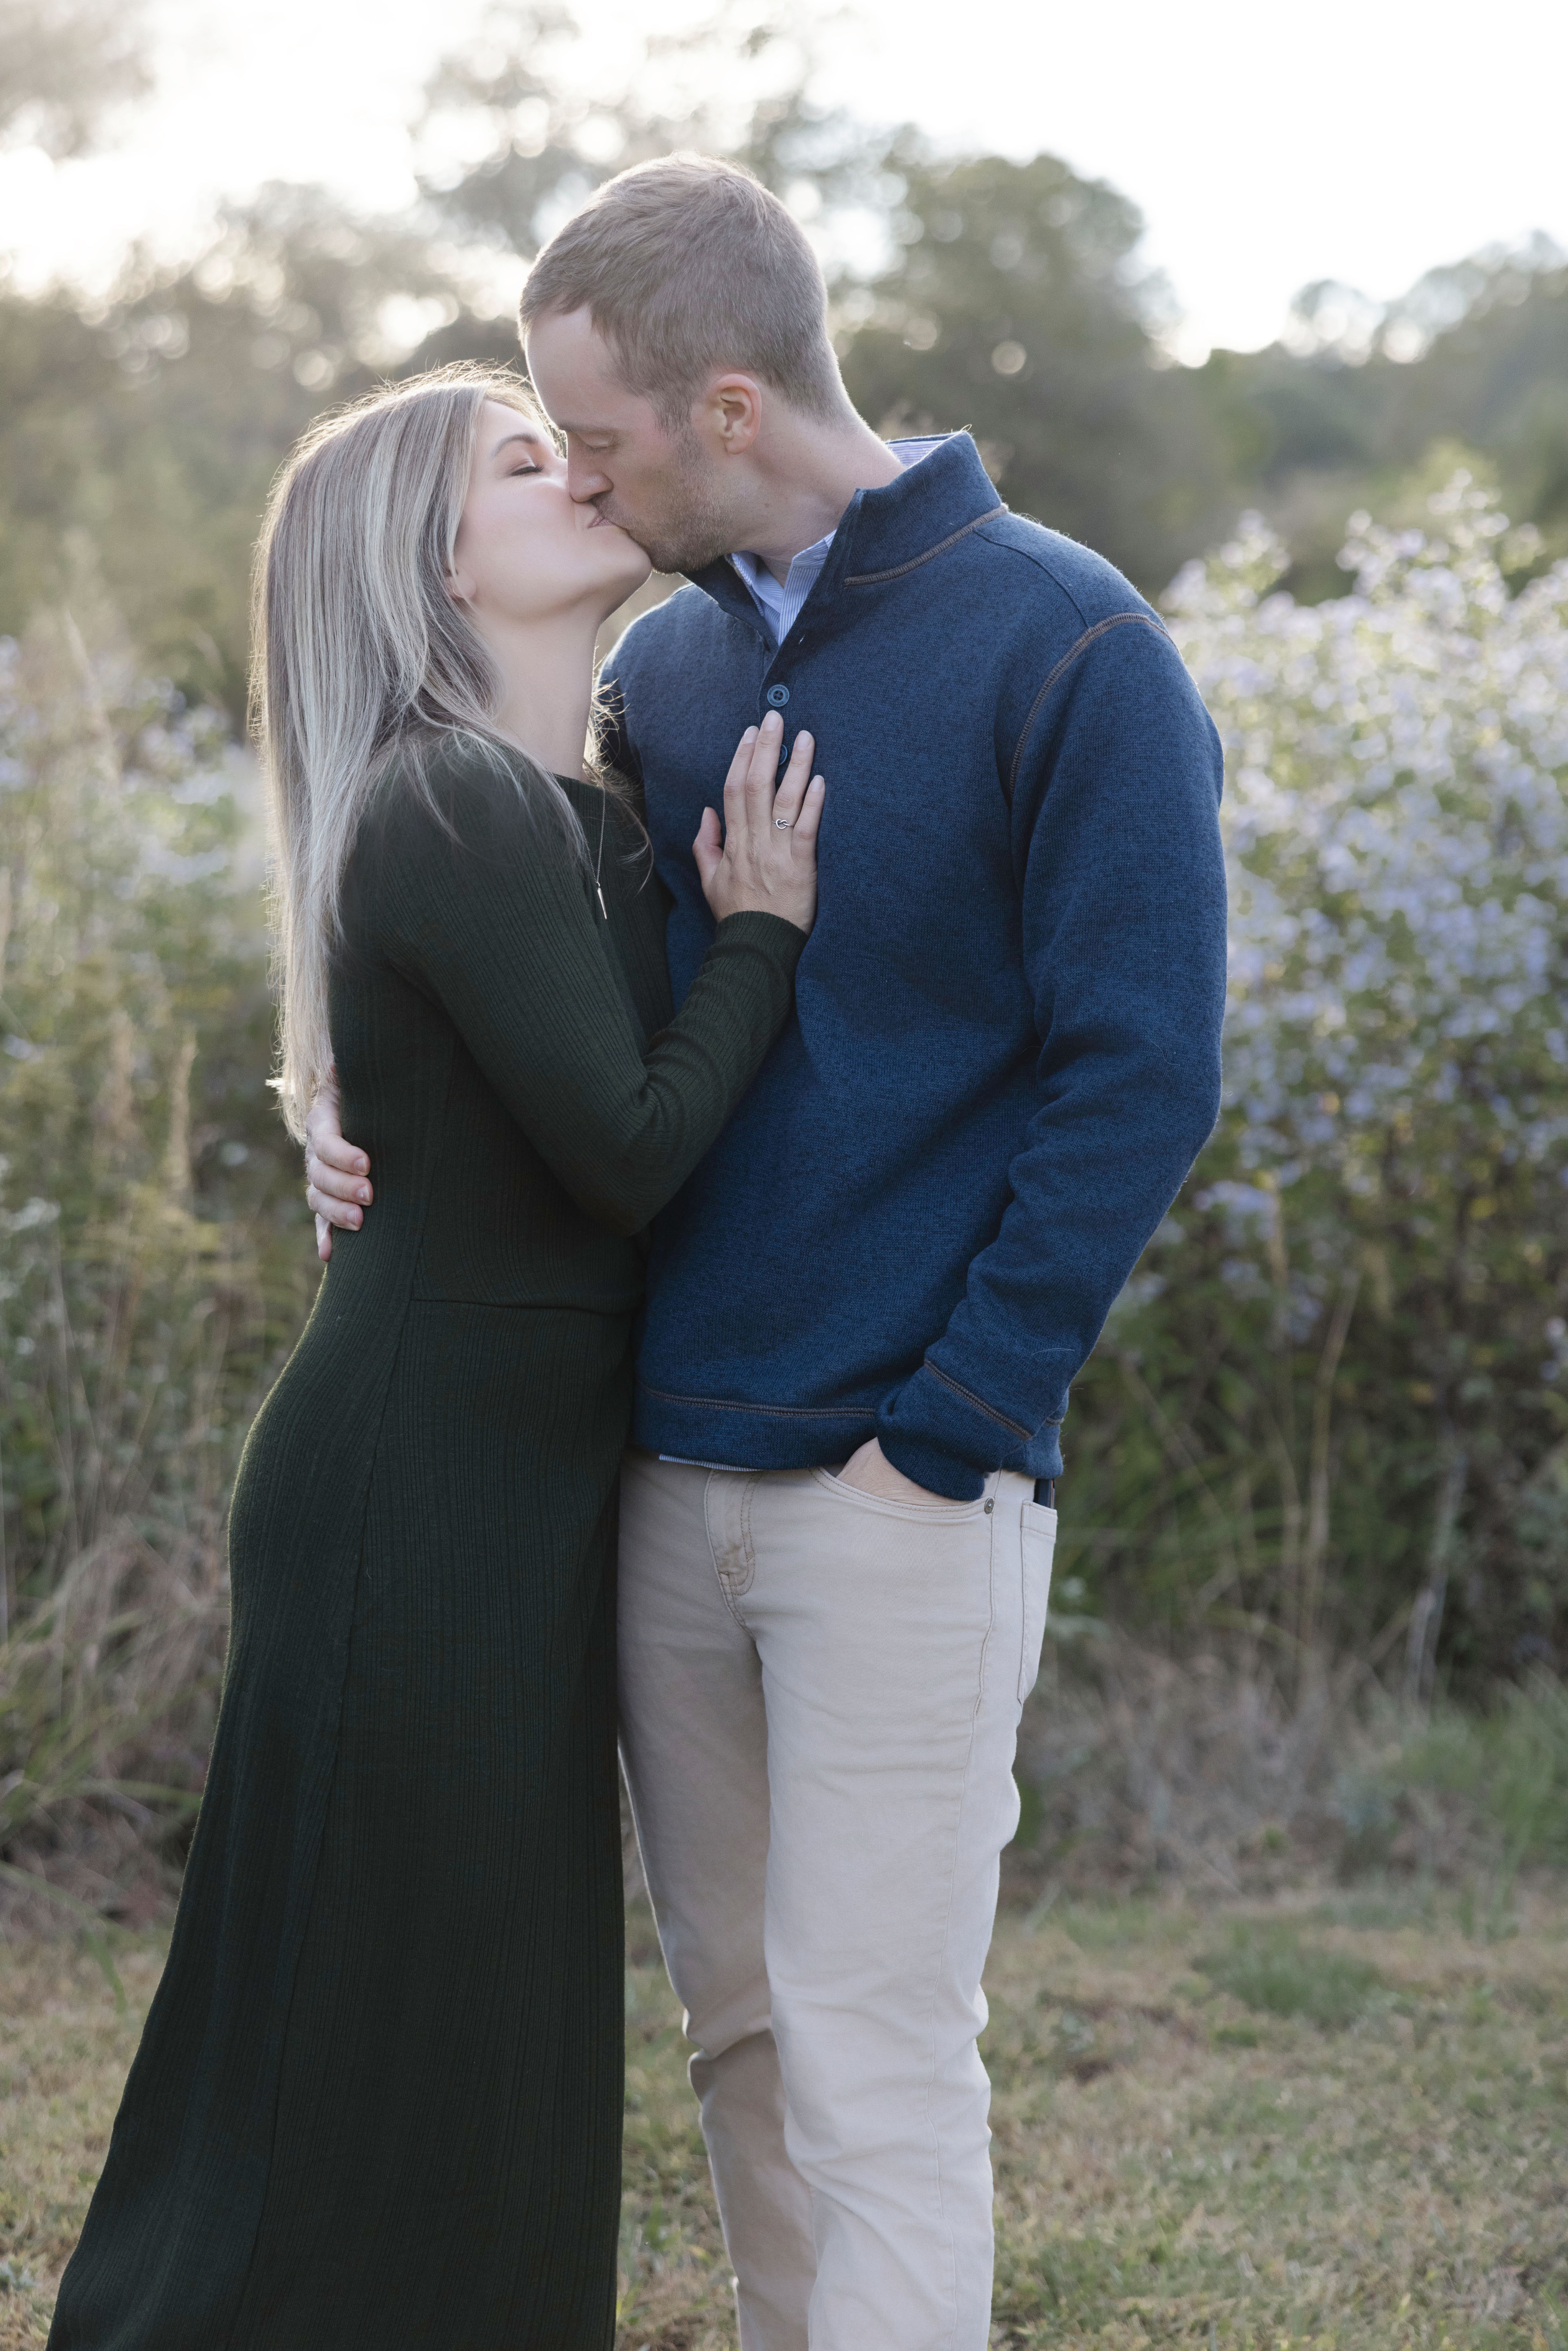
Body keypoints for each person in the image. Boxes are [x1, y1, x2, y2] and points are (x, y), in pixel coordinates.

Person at [307, 158, 1229, 2351]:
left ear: (728, 405)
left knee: (875, 2046)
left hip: (901, 1485)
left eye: (597, 436)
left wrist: (958, 1424)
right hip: (656, 1480)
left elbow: (1141, 1080)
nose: (585, 482)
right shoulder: (670, 673)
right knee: (737, 2032)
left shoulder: (1070, 642)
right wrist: (358, 1127)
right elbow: (577, 1034)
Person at [49, 365, 822, 2351]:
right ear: (430, 561)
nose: (571, 470)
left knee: (483, 2005)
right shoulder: (447, 801)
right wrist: (762, 938)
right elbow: (632, 1155)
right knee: (379, 2002)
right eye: (513, 460)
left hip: (511, 1476)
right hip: (418, 1485)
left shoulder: (577, 800)